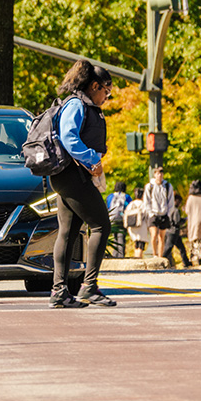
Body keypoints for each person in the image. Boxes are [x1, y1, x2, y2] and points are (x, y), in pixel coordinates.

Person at [47, 59, 115, 308]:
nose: (106, 98)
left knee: (68, 232)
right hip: (73, 175)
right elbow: (68, 137)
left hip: (66, 176)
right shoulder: (76, 104)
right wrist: (92, 161)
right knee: (100, 226)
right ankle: (89, 287)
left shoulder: (79, 103)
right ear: (95, 86)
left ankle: (59, 292)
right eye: (106, 91)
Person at [144, 166, 176, 260]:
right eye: (158, 173)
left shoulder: (167, 186)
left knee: (162, 237)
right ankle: (154, 254)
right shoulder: (150, 186)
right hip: (153, 213)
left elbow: (171, 201)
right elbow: (146, 201)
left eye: (161, 173)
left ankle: (160, 256)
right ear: (154, 174)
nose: (160, 175)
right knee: (153, 235)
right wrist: (150, 213)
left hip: (164, 213)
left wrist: (169, 213)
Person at [162, 192, 192, 268]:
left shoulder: (169, 209)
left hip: (170, 231)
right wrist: (184, 220)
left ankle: (186, 262)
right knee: (168, 248)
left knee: (181, 248)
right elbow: (177, 221)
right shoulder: (175, 210)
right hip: (173, 232)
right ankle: (162, 259)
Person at [124, 187, 150, 259]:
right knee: (141, 244)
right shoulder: (144, 204)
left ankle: (136, 257)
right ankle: (139, 258)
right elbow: (146, 215)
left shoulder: (131, 204)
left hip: (132, 226)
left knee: (136, 244)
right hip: (141, 226)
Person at [106, 181, 131, 258]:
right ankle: (121, 254)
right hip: (122, 219)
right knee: (121, 236)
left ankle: (115, 254)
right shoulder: (126, 197)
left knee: (114, 237)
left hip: (112, 218)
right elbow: (129, 207)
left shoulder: (110, 196)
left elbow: (108, 206)